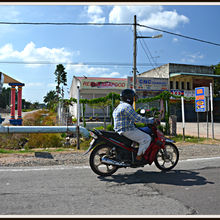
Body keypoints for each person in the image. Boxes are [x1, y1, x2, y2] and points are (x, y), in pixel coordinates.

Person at [113, 89, 154, 162]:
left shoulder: (119, 106)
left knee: (139, 133)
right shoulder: (127, 107)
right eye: (133, 97)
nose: (133, 99)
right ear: (129, 98)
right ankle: (138, 157)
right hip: (126, 130)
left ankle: (133, 153)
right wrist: (150, 121)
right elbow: (137, 118)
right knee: (147, 138)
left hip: (120, 129)